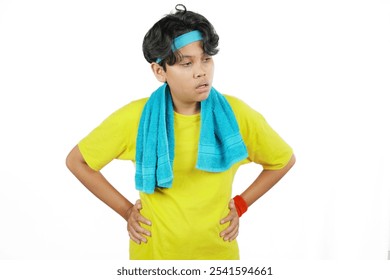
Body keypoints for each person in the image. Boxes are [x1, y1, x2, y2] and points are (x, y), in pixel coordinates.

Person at [66, 4, 295, 260]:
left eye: (206, 59)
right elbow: (78, 161)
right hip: (154, 256)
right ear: (159, 71)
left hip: (217, 256)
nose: (201, 71)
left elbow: (282, 160)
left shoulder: (236, 115)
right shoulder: (136, 118)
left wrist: (241, 204)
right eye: (187, 63)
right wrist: (127, 211)